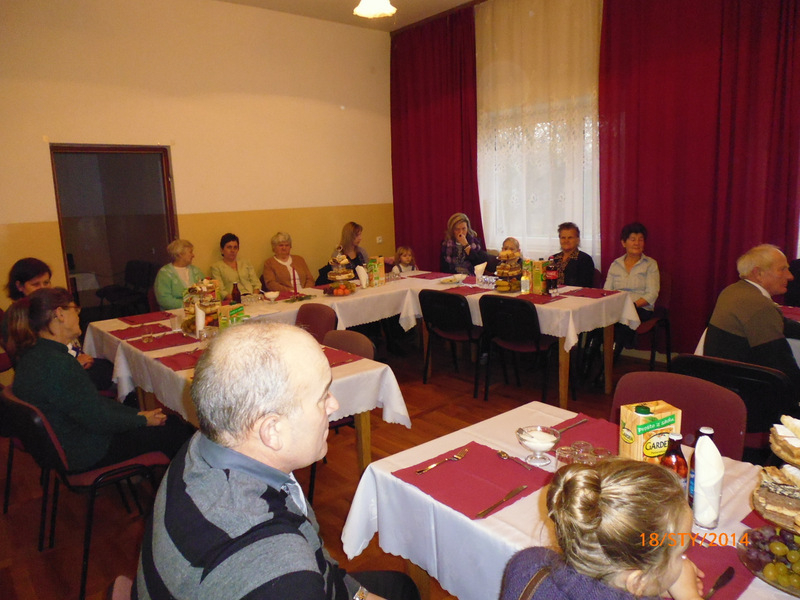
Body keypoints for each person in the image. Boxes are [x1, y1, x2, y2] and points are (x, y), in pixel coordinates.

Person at [135, 321, 420, 600]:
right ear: (272, 430)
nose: (334, 405)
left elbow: (315, 558)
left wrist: (359, 595)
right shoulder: (277, 566)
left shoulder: (203, 445)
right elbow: (285, 570)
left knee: (399, 586)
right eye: (322, 397)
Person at [6, 287, 193, 472]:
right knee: (178, 431)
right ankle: (181, 485)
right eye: (75, 309)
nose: (78, 314)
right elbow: (98, 418)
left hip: (67, 442)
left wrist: (138, 415)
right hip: (86, 450)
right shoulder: (58, 364)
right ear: (60, 314)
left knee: (158, 421)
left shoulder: (34, 354)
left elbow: (92, 406)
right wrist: (142, 420)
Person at [500, 460, 704, 600]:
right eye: (681, 554)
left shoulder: (527, 564)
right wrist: (689, 596)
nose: (684, 562)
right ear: (637, 582)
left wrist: (655, 581)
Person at [3, 257, 114, 390]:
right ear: (20, 286)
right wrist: (75, 363)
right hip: (57, 377)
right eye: (36, 284)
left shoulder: (43, 308)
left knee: (113, 365)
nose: (43, 289)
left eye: (46, 282)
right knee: (116, 373)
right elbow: (37, 361)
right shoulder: (20, 318)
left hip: (68, 363)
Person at [705, 244, 800, 392]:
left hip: (720, 380)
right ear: (758, 273)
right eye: (782, 269)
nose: (790, 276)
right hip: (745, 389)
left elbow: (780, 322)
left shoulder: (733, 290)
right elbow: (782, 366)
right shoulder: (759, 305)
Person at [604, 222, 660, 355]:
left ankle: (610, 362)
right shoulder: (615, 264)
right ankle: (587, 362)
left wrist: (631, 306)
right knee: (596, 324)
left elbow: (652, 294)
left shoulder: (650, 265)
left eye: (640, 239)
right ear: (624, 243)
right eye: (633, 239)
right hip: (617, 307)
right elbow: (607, 291)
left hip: (640, 308)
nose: (637, 243)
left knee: (622, 322)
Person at [153, 239, 204, 310]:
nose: (193, 255)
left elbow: (205, 290)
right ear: (180, 254)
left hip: (197, 310)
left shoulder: (196, 270)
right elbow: (164, 300)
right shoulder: (165, 273)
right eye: (190, 252)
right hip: (174, 313)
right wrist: (188, 305)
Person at [209, 233, 262, 300]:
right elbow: (221, 291)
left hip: (252, 298)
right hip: (233, 300)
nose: (232, 250)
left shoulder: (246, 263)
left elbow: (256, 284)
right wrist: (237, 300)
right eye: (229, 247)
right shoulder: (216, 267)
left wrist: (254, 297)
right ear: (222, 250)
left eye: (235, 247)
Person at [550, 223, 595, 287]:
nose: (566, 241)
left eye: (570, 238)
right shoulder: (553, 259)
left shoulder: (585, 260)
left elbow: (584, 285)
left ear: (578, 240)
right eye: (563, 238)